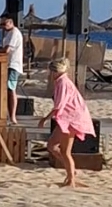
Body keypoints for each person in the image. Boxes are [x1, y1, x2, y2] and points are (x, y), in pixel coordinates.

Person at [38, 57, 94, 189]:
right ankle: (71, 172)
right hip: (66, 118)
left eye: (51, 72)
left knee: (65, 151)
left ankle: (71, 179)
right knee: (52, 145)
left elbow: (59, 105)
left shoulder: (63, 83)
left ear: (55, 72)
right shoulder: (60, 82)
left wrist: (45, 119)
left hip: (72, 119)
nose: (49, 75)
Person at [0, 14, 24, 125]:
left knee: (11, 89)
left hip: (13, 65)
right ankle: (8, 115)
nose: (3, 26)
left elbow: (7, 49)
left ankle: (13, 117)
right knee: (8, 89)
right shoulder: (9, 33)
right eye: (1, 24)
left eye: (4, 24)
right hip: (8, 64)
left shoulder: (15, 33)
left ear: (10, 22)